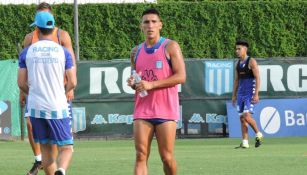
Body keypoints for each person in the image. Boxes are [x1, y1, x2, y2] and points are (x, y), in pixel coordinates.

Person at [127, 8, 186, 175]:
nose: (150, 25)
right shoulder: (135, 51)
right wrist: (133, 83)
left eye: (154, 22)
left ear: (160, 25)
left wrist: (152, 85)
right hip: (142, 110)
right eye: (146, 22)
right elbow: (136, 78)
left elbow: (181, 76)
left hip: (165, 110)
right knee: (140, 156)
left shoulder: (171, 46)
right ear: (141, 26)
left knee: (166, 157)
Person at [20, 2, 76, 175]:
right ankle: (61, 170)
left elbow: (21, 82)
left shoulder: (27, 51)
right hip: (57, 102)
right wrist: (64, 90)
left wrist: (31, 92)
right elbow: (73, 80)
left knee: (45, 148)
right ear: (52, 26)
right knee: (66, 147)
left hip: (36, 104)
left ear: (37, 26)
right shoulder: (63, 51)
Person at [232, 40, 263, 148]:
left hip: (250, 93)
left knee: (246, 116)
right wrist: (234, 95)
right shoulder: (237, 64)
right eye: (236, 49)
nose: (237, 51)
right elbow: (236, 80)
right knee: (242, 118)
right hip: (240, 94)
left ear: (245, 49)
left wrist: (256, 94)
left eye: (239, 49)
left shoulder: (251, 61)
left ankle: (258, 133)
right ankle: (245, 142)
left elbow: (258, 78)